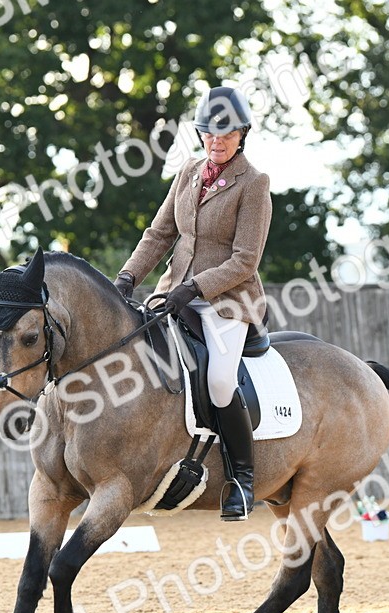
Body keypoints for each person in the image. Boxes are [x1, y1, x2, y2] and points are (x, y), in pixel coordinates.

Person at [113, 86, 271, 522]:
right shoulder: (187, 172)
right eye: (208, 134)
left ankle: (241, 479)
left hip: (227, 303)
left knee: (220, 381)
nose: (216, 142)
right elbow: (160, 234)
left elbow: (245, 261)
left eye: (226, 135)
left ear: (242, 135)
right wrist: (126, 278)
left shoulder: (254, 184)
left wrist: (196, 288)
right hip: (173, 294)